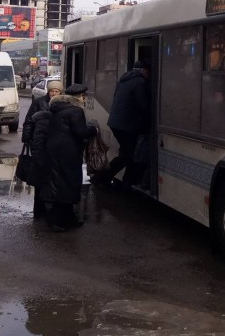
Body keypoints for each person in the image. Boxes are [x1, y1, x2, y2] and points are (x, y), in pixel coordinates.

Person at [40, 84, 97, 232]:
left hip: (55, 150)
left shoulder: (59, 107)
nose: (85, 98)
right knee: (68, 184)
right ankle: (58, 220)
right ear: (79, 97)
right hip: (68, 152)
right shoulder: (76, 110)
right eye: (84, 96)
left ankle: (67, 218)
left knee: (60, 183)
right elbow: (81, 132)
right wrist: (93, 129)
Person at [95, 61, 149, 187]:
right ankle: (104, 178)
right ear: (143, 70)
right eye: (148, 72)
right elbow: (143, 105)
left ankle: (125, 181)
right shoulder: (140, 82)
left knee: (127, 153)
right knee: (128, 155)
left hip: (117, 123)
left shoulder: (124, 80)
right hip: (127, 125)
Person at [22, 79, 62, 219]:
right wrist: (27, 138)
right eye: (52, 91)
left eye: (57, 91)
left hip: (53, 145)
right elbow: (29, 121)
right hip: (39, 143)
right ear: (48, 91)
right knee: (39, 177)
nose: (54, 94)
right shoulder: (39, 102)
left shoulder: (61, 104)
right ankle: (39, 212)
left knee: (50, 178)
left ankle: (49, 210)